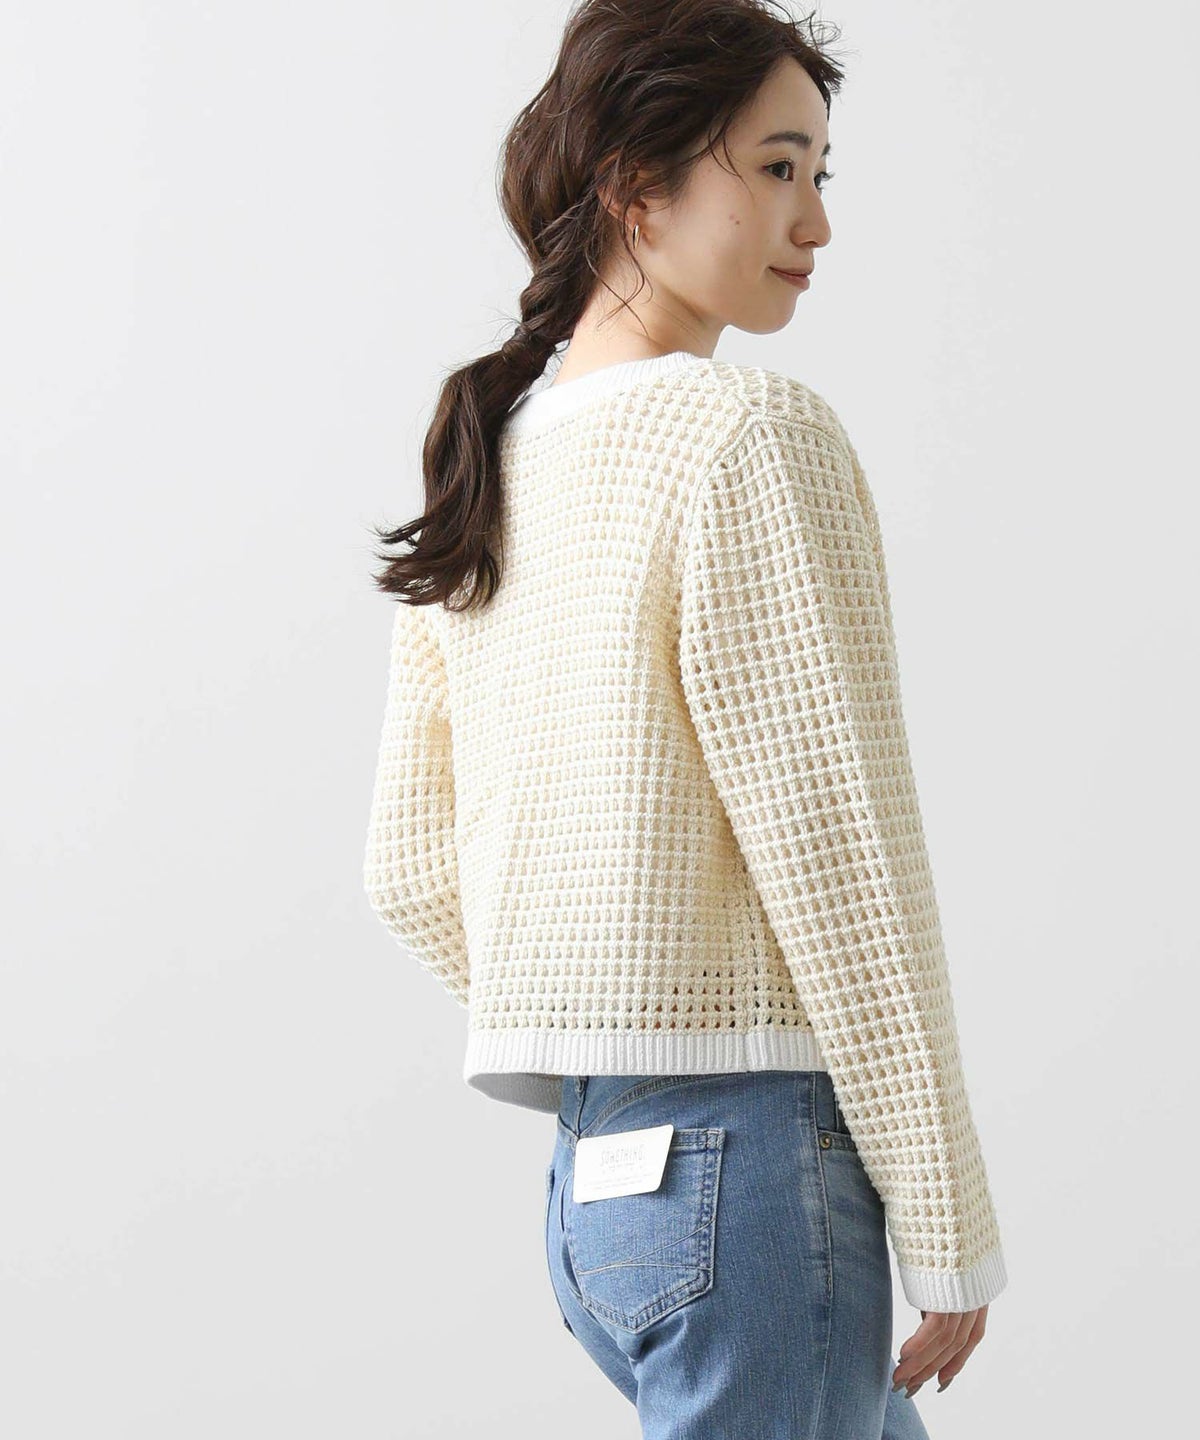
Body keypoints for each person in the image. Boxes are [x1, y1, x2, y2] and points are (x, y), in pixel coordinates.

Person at [362, 2, 1007, 1435]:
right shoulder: (745, 435)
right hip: (754, 1179)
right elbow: (844, 862)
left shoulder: (489, 461)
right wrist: (947, 1213)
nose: (816, 223)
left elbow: (408, 870)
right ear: (634, 185)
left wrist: (606, 1015)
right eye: (776, 168)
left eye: (821, 173)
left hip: (604, 1205)